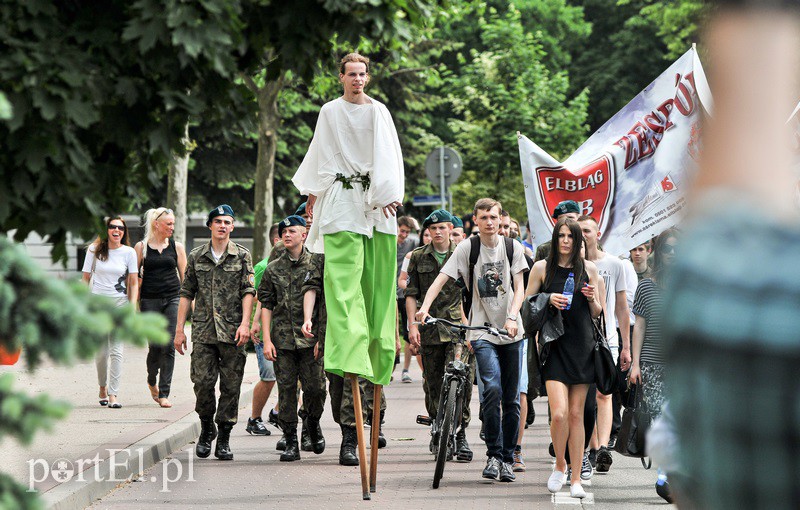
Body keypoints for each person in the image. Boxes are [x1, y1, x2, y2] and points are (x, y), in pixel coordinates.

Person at [291, 52, 403, 391]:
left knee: (376, 284)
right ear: (341, 77)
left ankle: (376, 352)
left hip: (372, 204)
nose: (357, 79)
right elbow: (320, 155)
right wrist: (312, 197)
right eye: (351, 74)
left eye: (362, 74)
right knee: (342, 280)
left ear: (367, 77)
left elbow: (389, 152)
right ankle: (350, 351)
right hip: (340, 201)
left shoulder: (379, 111)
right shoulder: (330, 111)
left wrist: (386, 193)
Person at [416, 198, 527, 483]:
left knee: (512, 399)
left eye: (493, 217)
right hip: (481, 332)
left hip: (512, 332)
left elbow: (519, 288)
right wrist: (424, 307)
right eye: (483, 218)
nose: (489, 222)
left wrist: (513, 316)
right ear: (475, 221)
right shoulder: (468, 248)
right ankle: (493, 454)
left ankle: (506, 458)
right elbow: (441, 278)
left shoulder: (512, 247)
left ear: (500, 219)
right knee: (491, 389)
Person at [525, 217, 603, 499]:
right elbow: (527, 307)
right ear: (555, 239)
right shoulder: (542, 268)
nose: (567, 240)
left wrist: (593, 297)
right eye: (562, 236)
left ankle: (575, 478)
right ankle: (559, 464)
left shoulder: (590, 269)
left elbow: (597, 313)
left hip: (582, 347)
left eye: (572, 236)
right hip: (554, 346)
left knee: (576, 414)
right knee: (558, 414)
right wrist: (549, 300)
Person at [174, 204, 255, 461]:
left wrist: (245, 324)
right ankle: (207, 426)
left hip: (233, 332)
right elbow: (186, 293)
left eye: (227, 222)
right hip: (204, 331)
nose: (222, 226)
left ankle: (225, 438)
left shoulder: (242, 256)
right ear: (210, 225)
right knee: (202, 383)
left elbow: (248, 292)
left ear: (232, 227)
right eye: (218, 221)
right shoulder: (197, 256)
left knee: (231, 386)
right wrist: (179, 330)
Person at [405, 209, 473, 461]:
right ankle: (437, 427)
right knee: (433, 383)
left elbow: (472, 292)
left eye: (443, 227)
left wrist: (471, 325)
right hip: (430, 328)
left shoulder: (464, 253)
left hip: (458, 327)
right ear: (428, 232)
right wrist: (413, 326)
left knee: (462, 378)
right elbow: (411, 293)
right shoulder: (418, 257)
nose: (438, 232)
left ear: (450, 229)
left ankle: (461, 432)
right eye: (433, 229)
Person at [259, 215, 327, 461]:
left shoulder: (318, 263)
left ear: (304, 234)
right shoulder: (273, 268)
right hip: (283, 341)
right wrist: (266, 340)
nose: (287, 235)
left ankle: (312, 422)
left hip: (310, 341)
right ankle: (290, 441)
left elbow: (325, 303)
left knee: (317, 389)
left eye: (292, 231)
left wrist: (322, 336)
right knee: (286, 391)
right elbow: (266, 304)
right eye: (284, 231)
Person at [578, 215, 631, 473]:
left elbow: (622, 307)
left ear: (597, 234)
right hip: (579, 339)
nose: (583, 235)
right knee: (585, 396)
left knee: (604, 393)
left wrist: (627, 346)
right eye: (579, 231)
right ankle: (591, 446)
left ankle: (601, 450)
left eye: (587, 230)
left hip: (607, 339)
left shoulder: (615, 264)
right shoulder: (573, 266)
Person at [629, 228, 677, 503]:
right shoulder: (646, 285)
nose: (672, 253)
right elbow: (639, 328)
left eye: (677, 248)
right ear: (658, 253)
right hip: (652, 363)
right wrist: (635, 363)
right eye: (667, 249)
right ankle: (666, 473)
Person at [82, 216, 139, 409]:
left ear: (124, 232)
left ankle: (113, 394)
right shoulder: (94, 250)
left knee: (117, 351)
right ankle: (102, 387)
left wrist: (132, 307)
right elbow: (85, 278)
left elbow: (133, 282)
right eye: (113, 227)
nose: (117, 231)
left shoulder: (129, 253)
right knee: (100, 353)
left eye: (121, 228)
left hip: (119, 305)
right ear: (106, 230)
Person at [134, 207, 187, 409]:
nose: (172, 227)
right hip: (149, 300)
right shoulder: (141, 247)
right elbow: (133, 278)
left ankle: (164, 393)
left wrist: (189, 302)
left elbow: (185, 277)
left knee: (168, 345)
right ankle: (151, 379)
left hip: (173, 298)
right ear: (157, 224)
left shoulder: (177, 247)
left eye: (173, 223)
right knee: (155, 347)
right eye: (169, 224)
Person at [248, 222, 282, 437]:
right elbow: (259, 297)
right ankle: (254, 418)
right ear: (276, 240)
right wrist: (255, 323)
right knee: (268, 377)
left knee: (292, 379)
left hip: (286, 331)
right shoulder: (263, 267)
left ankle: (278, 412)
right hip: (265, 331)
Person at [396, 215, 419, 383]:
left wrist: (417, 228)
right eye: (402, 231)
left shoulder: (411, 244)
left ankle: (405, 369)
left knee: (407, 333)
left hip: (403, 294)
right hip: (388, 294)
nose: (404, 235)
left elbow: (425, 240)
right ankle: (389, 367)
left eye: (407, 232)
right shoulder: (387, 242)